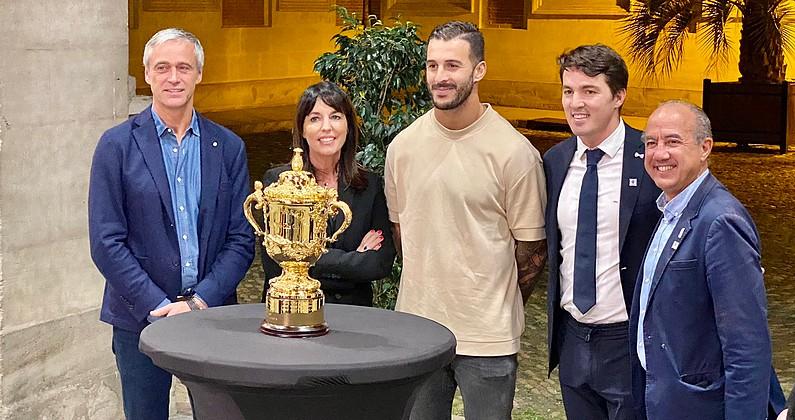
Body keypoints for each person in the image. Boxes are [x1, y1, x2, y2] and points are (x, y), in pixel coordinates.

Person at [384, 21, 547, 420]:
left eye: (453, 66)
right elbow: (402, 235)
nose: (440, 77)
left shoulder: (515, 154)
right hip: (419, 332)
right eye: (432, 65)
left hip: (488, 340)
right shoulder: (403, 148)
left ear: (479, 70)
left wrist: (495, 305)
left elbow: (531, 253)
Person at [88, 28, 254, 420]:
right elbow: (106, 241)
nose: (173, 77)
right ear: (147, 74)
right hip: (139, 319)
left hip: (212, 316)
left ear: (199, 73)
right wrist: (159, 305)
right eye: (162, 67)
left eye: (184, 67)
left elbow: (240, 239)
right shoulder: (116, 146)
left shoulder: (228, 146)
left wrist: (199, 301)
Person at [629, 100, 773, 419]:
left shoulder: (720, 221)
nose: (659, 153)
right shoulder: (670, 210)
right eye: (651, 143)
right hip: (661, 401)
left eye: (673, 141)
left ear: (705, 147)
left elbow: (747, 345)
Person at [542, 44, 661, 420]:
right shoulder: (555, 161)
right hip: (574, 338)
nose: (576, 103)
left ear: (619, 96)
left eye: (589, 91)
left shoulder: (651, 159)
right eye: (568, 91)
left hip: (629, 340)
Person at [260, 81, 396, 306]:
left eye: (335, 117)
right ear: (302, 129)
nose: (326, 127)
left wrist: (309, 259)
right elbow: (276, 263)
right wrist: (355, 258)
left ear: (348, 125)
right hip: (293, 309)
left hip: (354, 316)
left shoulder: (369, 185)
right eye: (315, 118)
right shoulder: (279, 183)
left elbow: (380, 263)